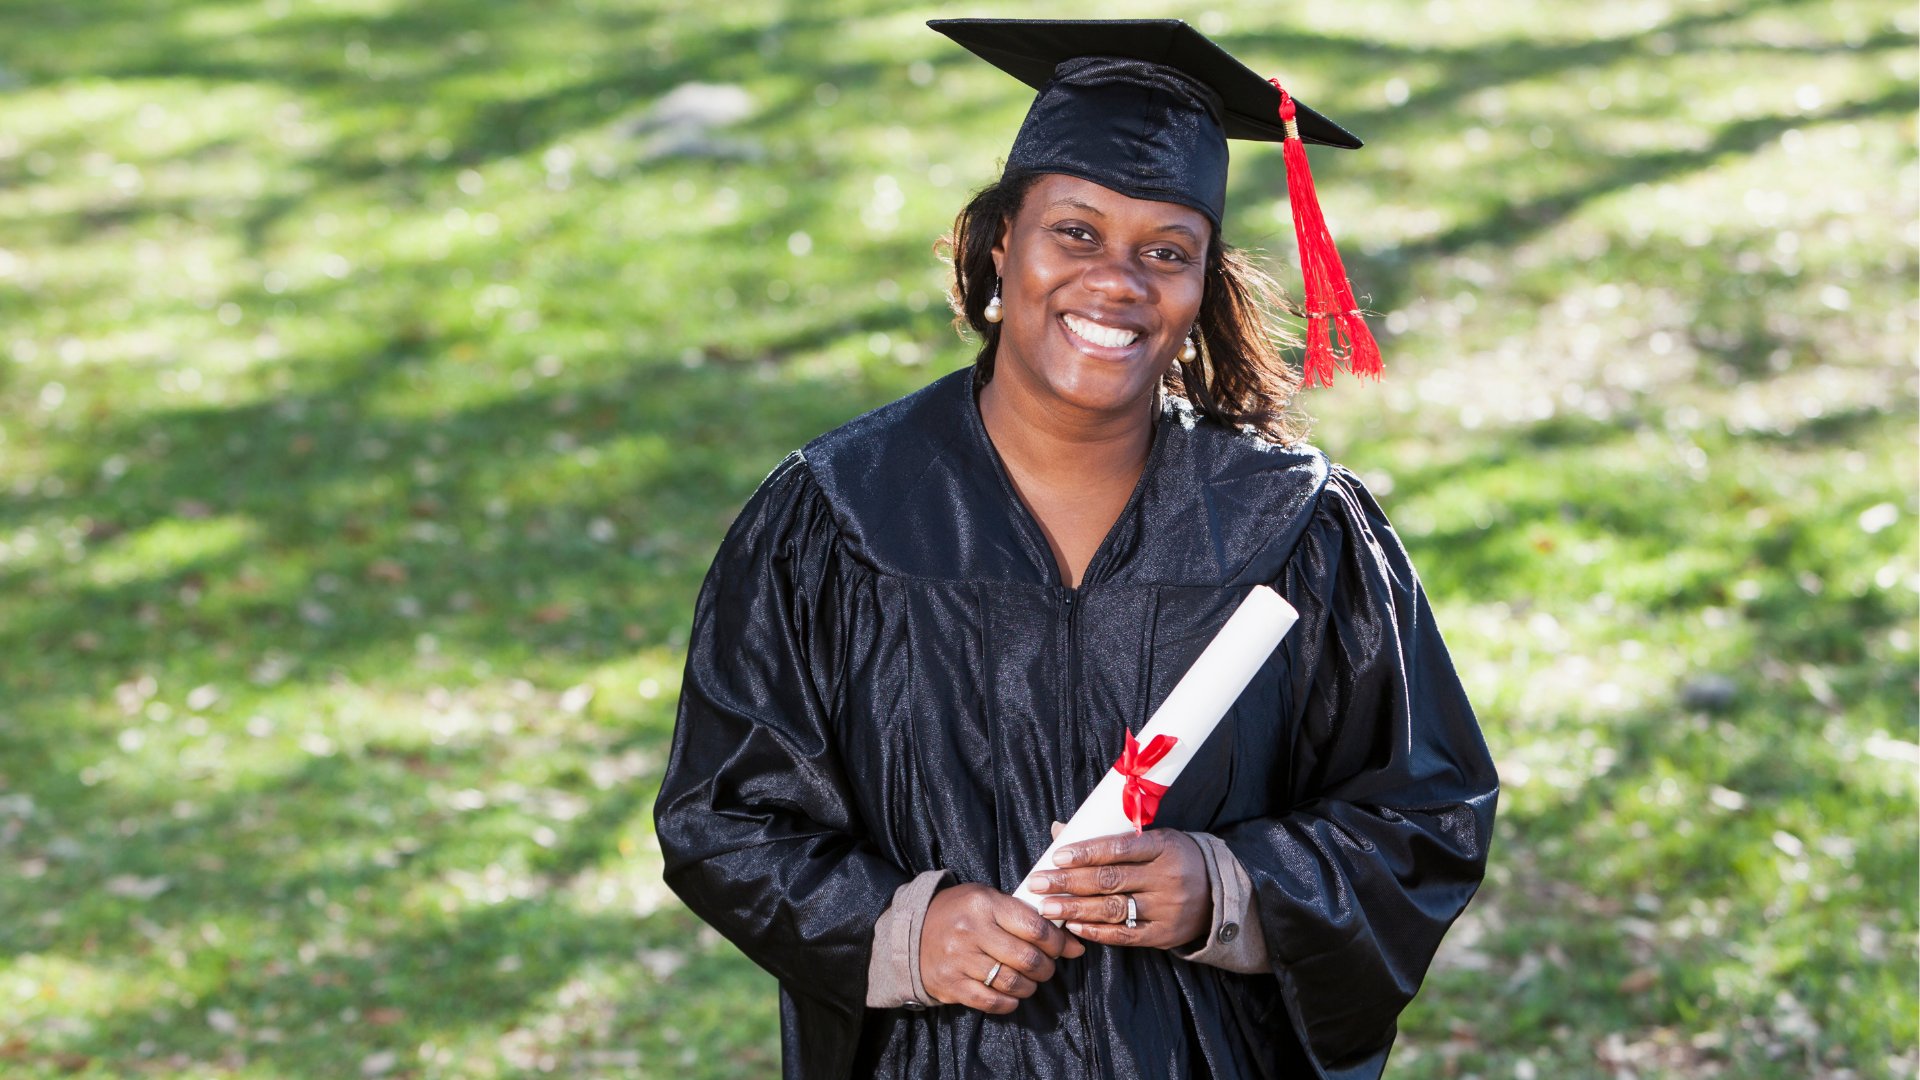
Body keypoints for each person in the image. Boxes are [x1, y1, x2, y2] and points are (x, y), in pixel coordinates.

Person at [652, 18, 1498, 1080]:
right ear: (1003, 243)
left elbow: (1423, 811)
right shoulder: (839, 517)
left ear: (1201, 288)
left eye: (1165, 252)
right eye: (1077, 234)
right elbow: (725, 815)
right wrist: (908, 930)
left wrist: (1228, 886)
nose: (1118, 282)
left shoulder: (1296, 527)